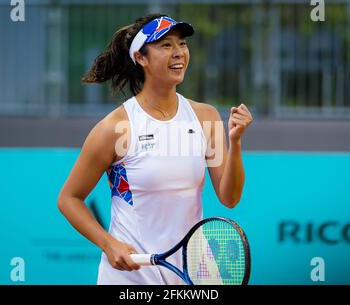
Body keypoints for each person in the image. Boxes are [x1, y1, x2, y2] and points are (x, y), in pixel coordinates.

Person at [57, 13, 253, 285]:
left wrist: (237, 142)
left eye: (182, 44)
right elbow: (69, 198)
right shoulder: (115, 127)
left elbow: (229, 197)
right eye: (166, 45)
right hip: (132, 277)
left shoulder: (206, 118)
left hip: (196, 273)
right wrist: (108, 243)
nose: (179, 53)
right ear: (141, 58)